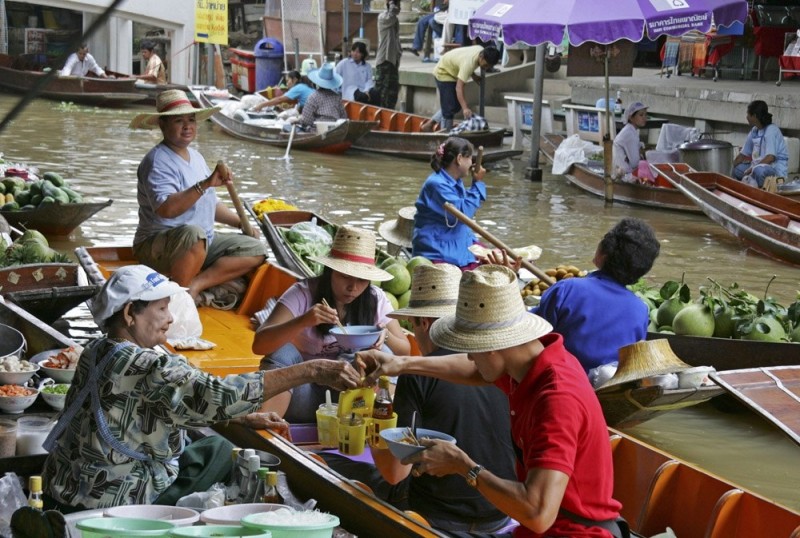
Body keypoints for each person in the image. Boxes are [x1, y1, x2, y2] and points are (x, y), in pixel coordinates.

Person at [42, 265, 361, 511]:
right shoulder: (150, 366)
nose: (170, 319)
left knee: (210, 446)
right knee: (222, 452)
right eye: (162, 309)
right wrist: (312, 370)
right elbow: (219, 396)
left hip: (65, 487)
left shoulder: (97, 350)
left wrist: (242, 418)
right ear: (129, 314)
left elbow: (158, 405)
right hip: (112, 500)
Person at [357, 265, 623, 538]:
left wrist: (464, 466)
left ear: (492, 344)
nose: (470, 356)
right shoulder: (531, 365)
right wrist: (400, 363)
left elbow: (538, 514)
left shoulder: (557, 399)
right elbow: (470, 370)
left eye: (472, 348)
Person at [371, 263, 517, 533]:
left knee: (363, 476)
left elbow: (395, 473)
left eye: (413, 325)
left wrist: (371, 421)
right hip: (502, 511)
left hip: (438, 517)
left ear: (423, 323)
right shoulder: (502, 369)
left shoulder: (415, 374)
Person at [252, 225, 410, 423]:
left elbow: (405, 352)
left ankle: (371, 425)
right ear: (330, 271)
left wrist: (383, 332)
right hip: (301, 393)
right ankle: (267, 425)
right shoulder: (303, 294)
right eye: (345, 276)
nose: (353, 288)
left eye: (361, 280)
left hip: (351, 400)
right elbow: (259, 345)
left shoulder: (375, 299)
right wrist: (303, 321)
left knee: (384, 353)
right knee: (282, 351)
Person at [129, 89, 267, 301]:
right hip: (158, 246)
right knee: (194, 235)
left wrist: (240, 223)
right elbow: (167, 209)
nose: (187, 126)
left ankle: (195, 285)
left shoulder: (196, 156)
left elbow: (210, 203)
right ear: (162, 125)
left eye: (191, 120)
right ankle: (177, 297)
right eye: (179, 121)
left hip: (199, 243)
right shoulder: (157, 161)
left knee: (255, 248)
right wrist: (205, 184)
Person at [532, 218, 660, 376]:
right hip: (605, 390)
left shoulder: (567, 289)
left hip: (559, 383)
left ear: (604, 252)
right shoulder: (641, 310)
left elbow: (532, 335)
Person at [413, 137, 486, 269]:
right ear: (459, 159)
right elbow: (464, 213)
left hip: (457, 241)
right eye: (469, 158)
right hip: (439, 249)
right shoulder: (436, 184)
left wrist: (475, 184)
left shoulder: (455, 181)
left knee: (499, 260)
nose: (472, 163)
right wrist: (478, 183)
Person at [432, 45, 501, 130]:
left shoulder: (481, 50)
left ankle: (429, 124)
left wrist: (474, 76)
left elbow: (465, 63)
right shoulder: (469, 64)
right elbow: (459, 87)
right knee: (449, 109)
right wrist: (465, 108)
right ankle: (446, 135)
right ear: (481, 57)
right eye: (486, 65)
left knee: (455, 106)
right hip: (443, 72)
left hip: (452, 71)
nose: (485, 68)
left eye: (489, 67)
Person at [732, 100, 789, 188]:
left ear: (754, 116)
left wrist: (752, 169)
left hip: (774, 169)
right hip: (756, 166)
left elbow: (770, 157)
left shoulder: (771, 130)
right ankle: (751, 185)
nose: (746, 117)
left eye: (748, 114)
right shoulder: (754, 131)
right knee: (737, 170)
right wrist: (730, 166)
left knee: (759, 171)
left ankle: (763, 192)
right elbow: (742, 155)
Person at [295, 63, 347, 132]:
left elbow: (306, 121)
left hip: (318, 130)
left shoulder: (313, 97)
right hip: (335, 130)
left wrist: (297, 120)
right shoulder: (337, 97)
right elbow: (343, 117)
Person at [375, 0, 403, 109]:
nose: (399, 8)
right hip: (384, 62)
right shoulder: (383, 17)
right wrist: (392, 2)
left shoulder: (394, 19)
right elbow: (392, 13)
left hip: (393, 61)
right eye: (398, 5)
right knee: (382, 94)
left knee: (392, 93)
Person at [612, 101, 648, 183]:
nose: (644, 117)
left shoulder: (631, 130)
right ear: (631, 118)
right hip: (624, 175)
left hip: (623, 171)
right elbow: (635, 163)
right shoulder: (629, 133)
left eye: (645, 115)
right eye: (641, 115)